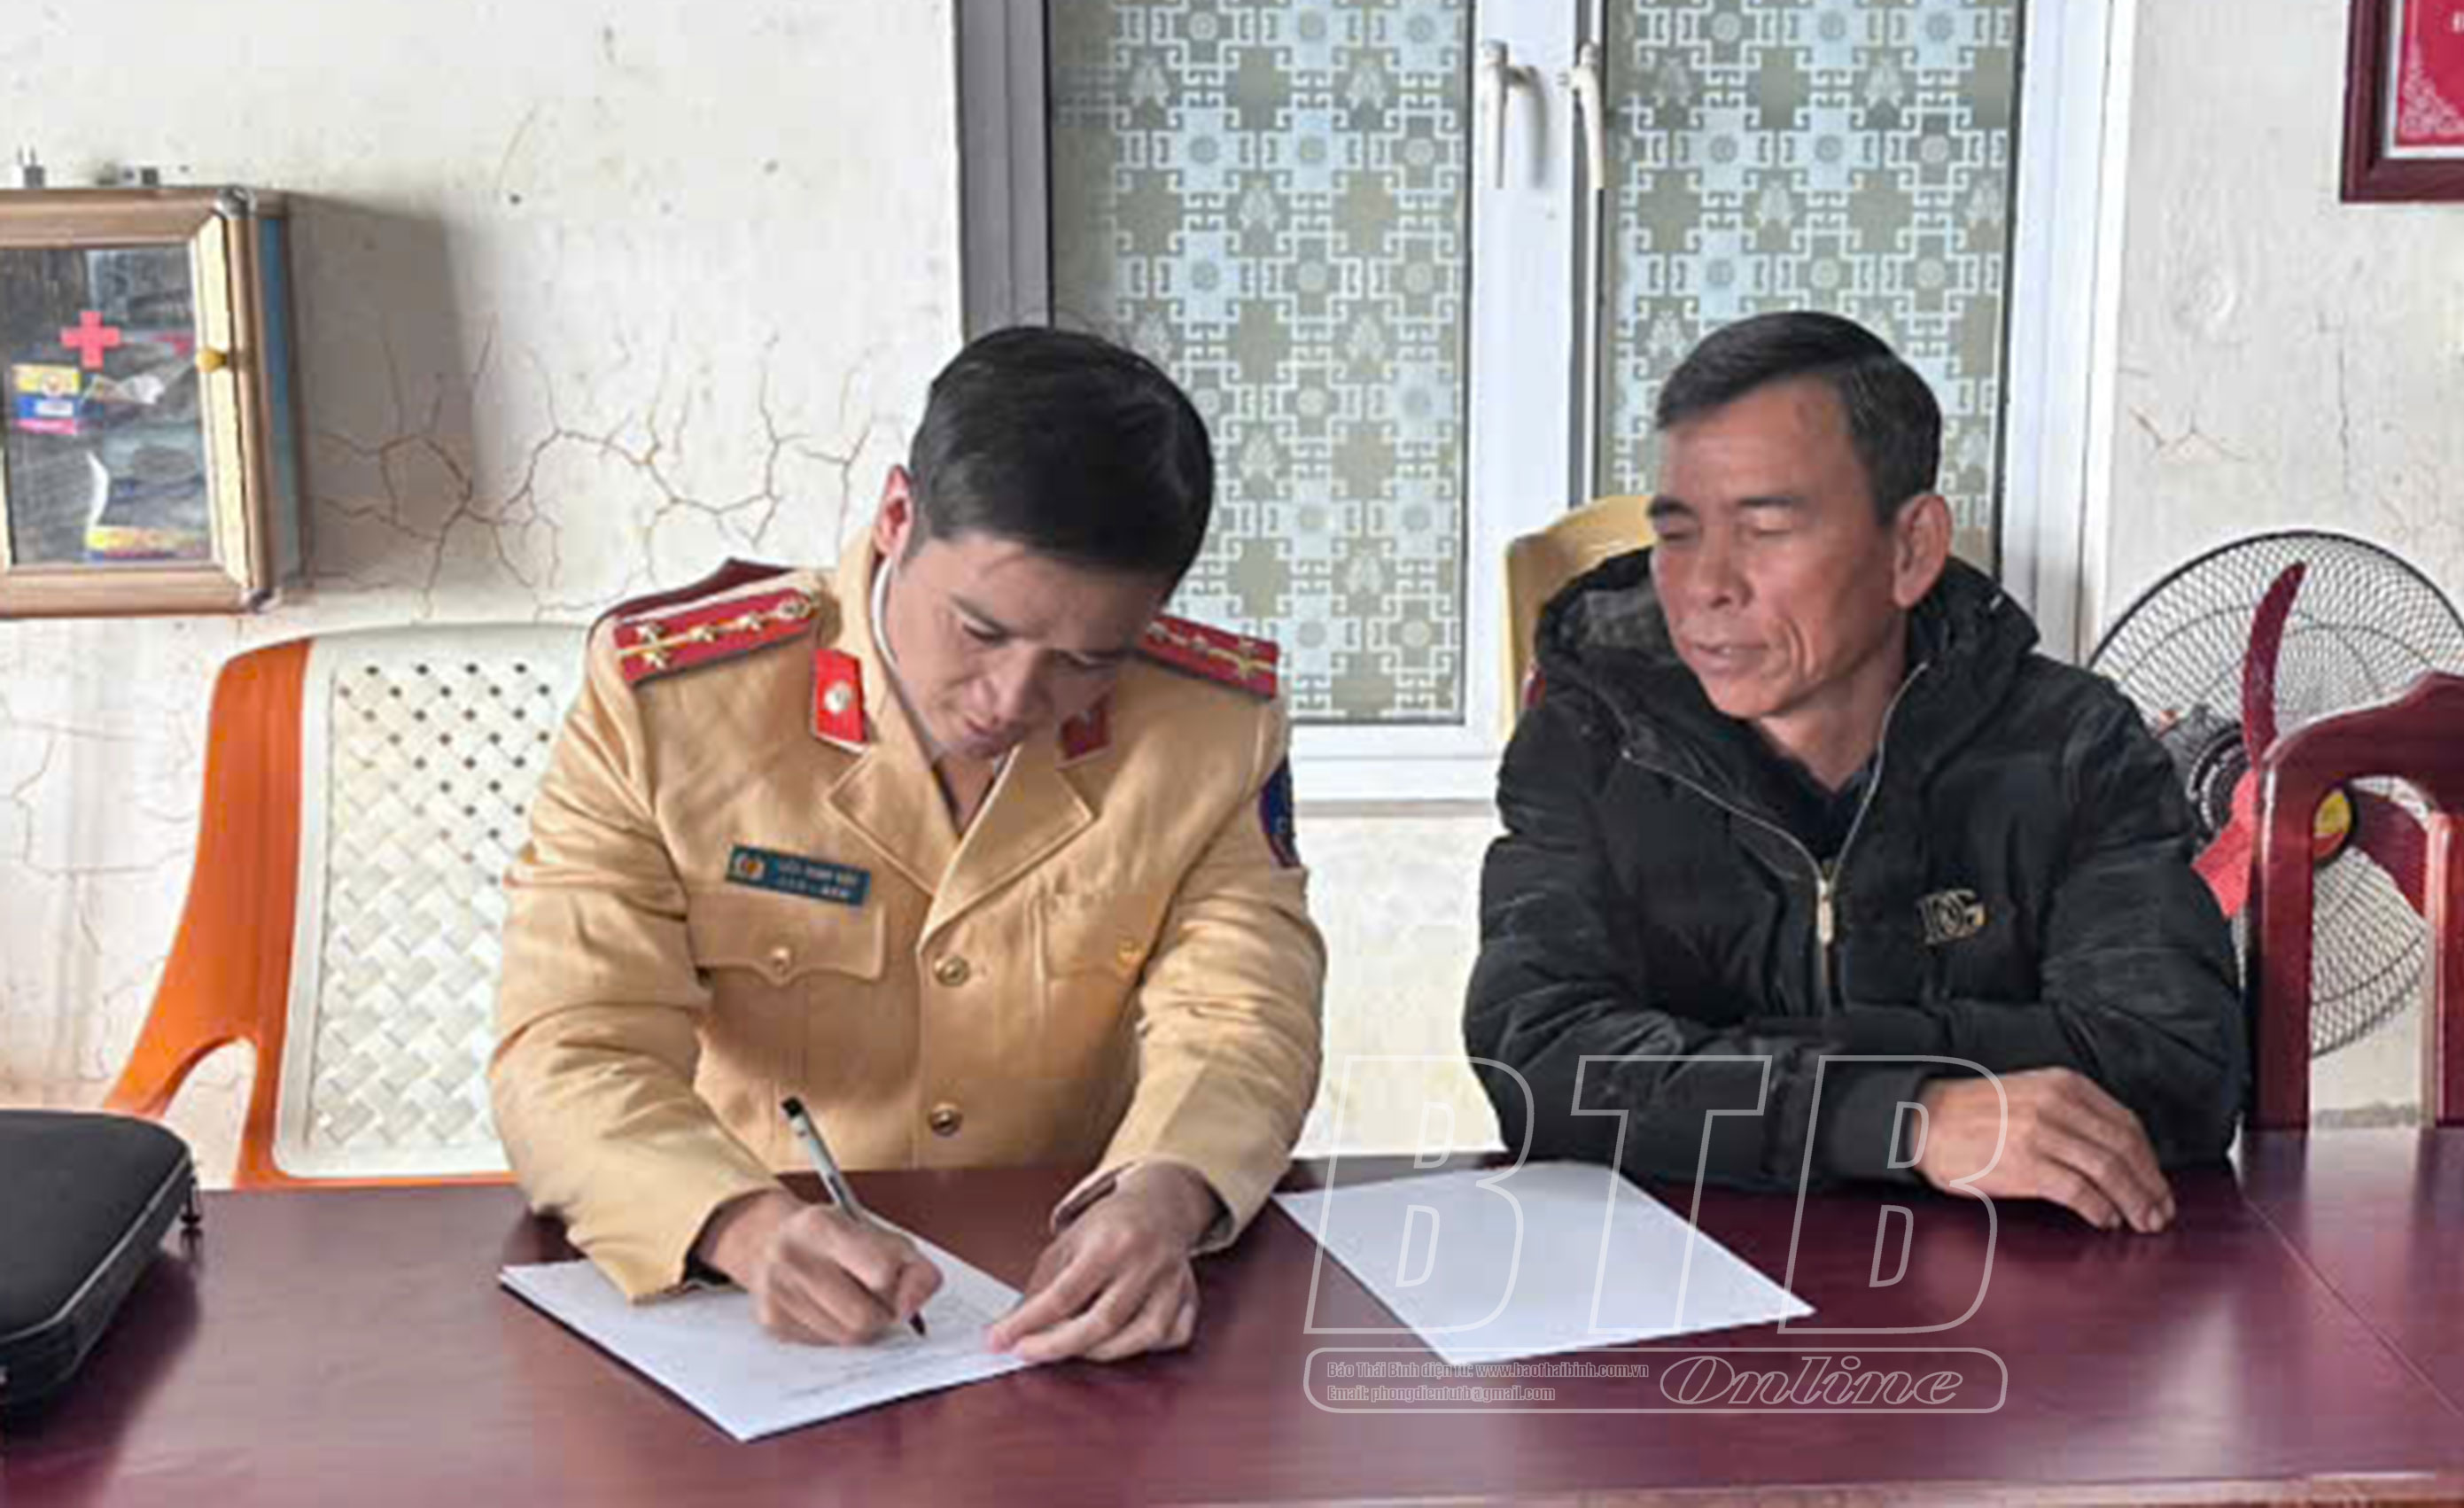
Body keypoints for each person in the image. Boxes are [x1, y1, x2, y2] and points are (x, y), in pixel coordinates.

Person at [491, 327, 1324, 1362]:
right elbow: (571, 1043)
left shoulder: (1212, 727)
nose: (1013, 699)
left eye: (1086, 661)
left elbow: (1242, 1012)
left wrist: (1164, 1194)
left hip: (1067, 1289)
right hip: (752, 1293)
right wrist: (740, 1226)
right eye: (981, 631)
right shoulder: (669, 704)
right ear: (896, 517)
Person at [1465, 311, 2243, 1233]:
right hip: (1673, 1286)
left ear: (1910, 549)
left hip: (2000, 1289)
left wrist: (1730, 1065)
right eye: (1677, 534)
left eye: (1766, 529)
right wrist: (1901, 1117)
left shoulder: (2074, 745)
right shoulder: (1592, 744)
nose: (1707, 586)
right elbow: (1541, 1061)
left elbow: (2175, 1063)